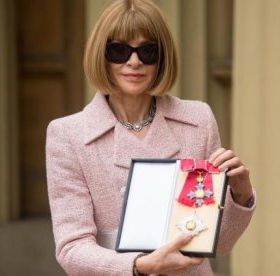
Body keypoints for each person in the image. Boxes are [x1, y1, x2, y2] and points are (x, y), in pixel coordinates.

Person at [46, 0, 256, 275]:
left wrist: (240, 194)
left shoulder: (198, 120)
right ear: (102, 55)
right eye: (119, 50)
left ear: (162, 58)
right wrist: (140, 266)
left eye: (147, 51)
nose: (134, 61)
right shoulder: (68, 135)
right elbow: (71, 248)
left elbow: (220, 244)